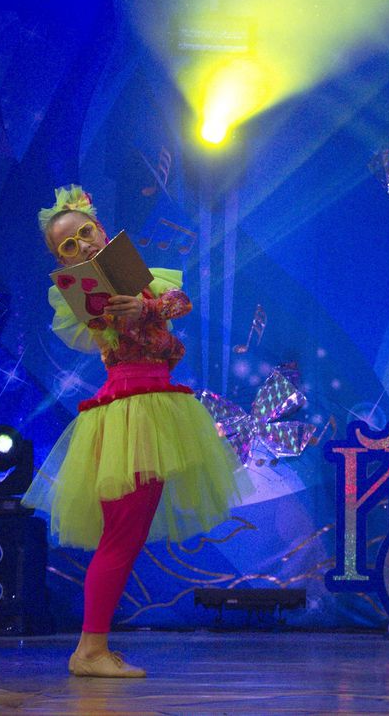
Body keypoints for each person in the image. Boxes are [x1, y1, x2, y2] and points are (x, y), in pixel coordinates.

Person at [24, 185, 242, 678]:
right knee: (122, 536)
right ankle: (90, 650)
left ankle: (92, 648)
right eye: (69, 246)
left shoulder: (137, 279)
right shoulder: (92, 301)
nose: (83, 245)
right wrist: (131, 315)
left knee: (128, 533)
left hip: (151, 405)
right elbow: (142, 339)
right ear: (62, 261)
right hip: (131, 412)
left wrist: (146, 307)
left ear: (101, 229)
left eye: (86, 233)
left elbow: (178, 304)